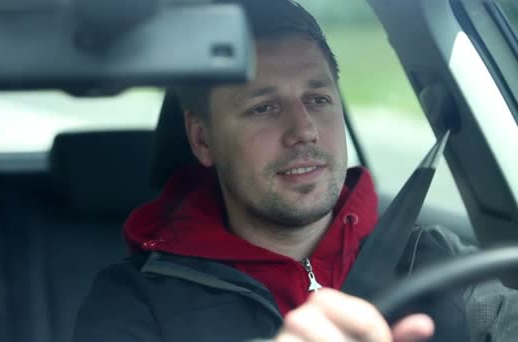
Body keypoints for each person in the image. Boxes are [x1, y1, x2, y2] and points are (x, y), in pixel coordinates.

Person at [74, 1, 518, 341]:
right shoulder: (135, 301)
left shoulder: (434, 259)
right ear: (202, 139)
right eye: (263, 107)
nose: (303, 129)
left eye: (318, 98)